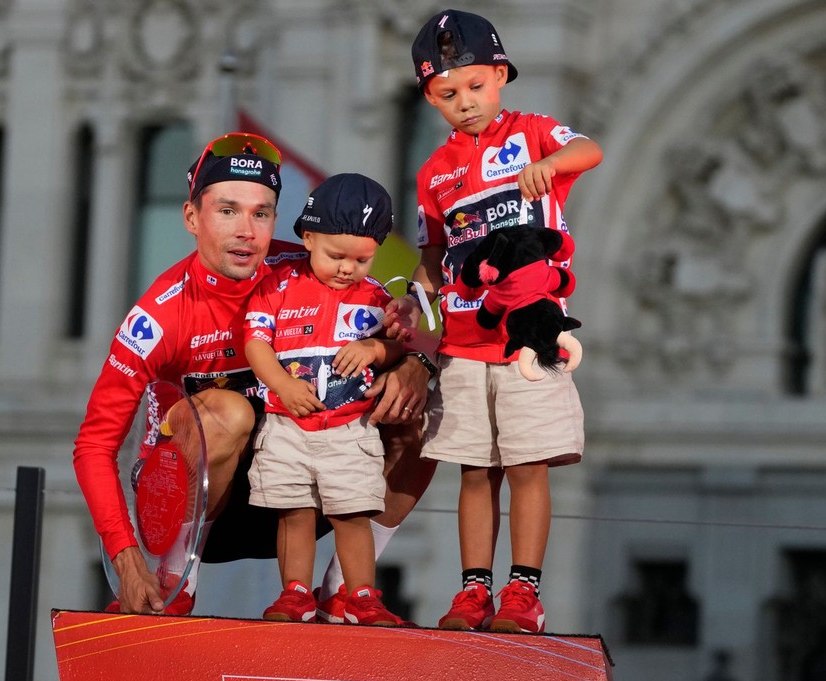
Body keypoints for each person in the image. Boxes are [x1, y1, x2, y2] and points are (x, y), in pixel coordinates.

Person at [73, 132, 436, 616]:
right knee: (228, 410)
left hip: (307, 485)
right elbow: (94, 446)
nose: (246, 230)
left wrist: (416, 363)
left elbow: (407, 317)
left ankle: (342, 591)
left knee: (427, 412)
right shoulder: (158, 317)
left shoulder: (314, 264)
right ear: (191, 218)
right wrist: (126, 559)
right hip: (199, 507)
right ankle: (176, 577)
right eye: (227, 211)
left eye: (261, 213)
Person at [388, 9, 604, 632]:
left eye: (476, 86)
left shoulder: (532, 130)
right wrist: (413, 297)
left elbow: (590, 148)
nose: (466, 103)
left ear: (501, 75)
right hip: (462, 339)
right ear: (430, 97)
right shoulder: (433, 173)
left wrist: (553, 165)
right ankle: (473, 591)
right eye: (447, 94)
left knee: (527, 465)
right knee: (475, 470)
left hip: (527, 341)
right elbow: (434, 252)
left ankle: (524, 594)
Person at [245, 173, 407, 626]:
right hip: (286, 424)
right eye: (336, 255)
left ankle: (360, 597)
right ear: (308, 236)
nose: (346, 268)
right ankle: (295, 593)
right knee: (294, 512)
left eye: (362, 259)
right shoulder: (276, 285)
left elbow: (400, 345)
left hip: (350, 428)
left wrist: (376, 349)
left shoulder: (376, 297)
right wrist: (282, 384)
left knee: (352, 512)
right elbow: (255, 342)